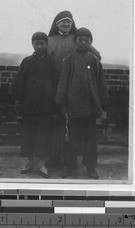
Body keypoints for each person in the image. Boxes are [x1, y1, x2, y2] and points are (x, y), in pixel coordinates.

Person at [47, 10, 101, 167]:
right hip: (54, 88)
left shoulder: (78, 40)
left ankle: (71, 162)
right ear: (56, 24)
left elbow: (97, 56)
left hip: (73, 89)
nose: (66, 24)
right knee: (57, 126)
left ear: (72, 25)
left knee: (73, 128)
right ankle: (56, 158)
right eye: (62, 22)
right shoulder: (49, 40)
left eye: (68, 22)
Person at [55, 28, 110, 179]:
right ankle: (69, 165)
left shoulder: (95, 61)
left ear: (91, 42)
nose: (83, 42)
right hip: (72, 108)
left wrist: (103, 103)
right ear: (75, 42)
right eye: (80, 39)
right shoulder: (69, 61)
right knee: (71, 139)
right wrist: (61, 104)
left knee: (90, 140)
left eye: (87, 39)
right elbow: (63, 83)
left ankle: (91, 167)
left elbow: (101, 84)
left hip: (90, 108)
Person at [11, 32, 57, 178]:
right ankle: (29, 163)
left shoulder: (51, 62)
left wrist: (55, 103)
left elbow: (56, 83)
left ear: (46, 45)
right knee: (28, 135)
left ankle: (42, 164)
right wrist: (18, 100)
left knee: (44, 136)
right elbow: (19, 82)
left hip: (46, 107)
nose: (39, 46)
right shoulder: (26, 62)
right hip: (29, 106)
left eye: (42, 43)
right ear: (32, 44)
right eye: (36, 43)